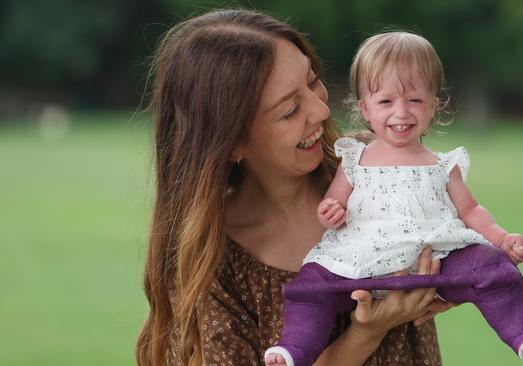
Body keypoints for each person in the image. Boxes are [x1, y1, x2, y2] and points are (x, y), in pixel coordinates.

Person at [136, 10, 454, 366]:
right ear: (232, 143)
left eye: (312, 80)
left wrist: (449, 280)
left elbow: (452, 232)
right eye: (289, 110)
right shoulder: (211, 266)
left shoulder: (370, 163)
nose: (320, 110)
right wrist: (366, 333)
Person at [265, 32, 523, 366]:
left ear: (433, 106)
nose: (401, 113)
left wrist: (501, 238)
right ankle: (294, 350)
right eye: (386, 102)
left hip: (434, 260)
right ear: (365, 109)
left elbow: (470, 210)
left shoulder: (444, 165)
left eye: (414, 101)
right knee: (309, 288)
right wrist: (331, 211)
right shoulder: (355, 159)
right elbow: (335, 202)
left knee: (492, 267)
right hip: (360, 260)